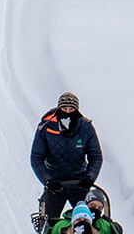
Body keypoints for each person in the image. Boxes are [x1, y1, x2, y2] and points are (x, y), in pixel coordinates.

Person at [30, 91, 102, 225]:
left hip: (79, 182)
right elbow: (36, 158)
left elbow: (96, 156)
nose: (68, 112)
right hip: (55, 184)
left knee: (89, 219)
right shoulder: (45, 128)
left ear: (77, 110)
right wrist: (48, 180)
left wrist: (90, 177)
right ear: (59, 109)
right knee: (50, 223)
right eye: (64, 108)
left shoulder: (86, 127)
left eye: (71, 109)